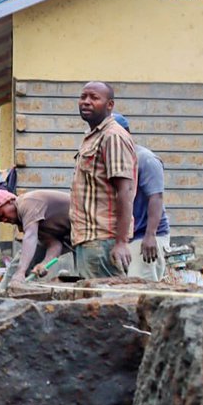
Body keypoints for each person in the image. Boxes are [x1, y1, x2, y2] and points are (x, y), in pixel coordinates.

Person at [70, 82, 137, 278]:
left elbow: (125, 191)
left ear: (110, 105)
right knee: (90, 303)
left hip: (103, 240)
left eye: (94, 98)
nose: (86, 102)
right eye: (83, 97)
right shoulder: (93, 137)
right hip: (88, 239)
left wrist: (121, 242)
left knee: (104, 303)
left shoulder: (112, 136)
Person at [112, 114, 170, 281]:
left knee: (139, 288)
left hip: (146, 237)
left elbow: (156, 197)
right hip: (126, 237)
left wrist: (150, 235)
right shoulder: (115, 161)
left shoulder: (145, 159)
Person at [0, 188, 72, 291]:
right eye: (1, 220)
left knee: (90, 276)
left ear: (10, 201)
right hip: (73, 236)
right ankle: (2, 293)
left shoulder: (27, 203)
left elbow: (31, 236)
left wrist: (21, 272)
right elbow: (54, 244)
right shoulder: (23, 220)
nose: (5, 220)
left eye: (2, 215)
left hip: (89, 227)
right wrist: (44, 264)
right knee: (20, 260)